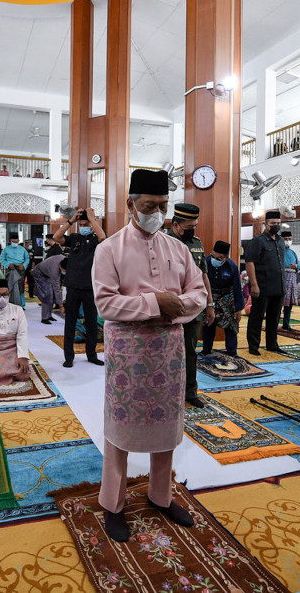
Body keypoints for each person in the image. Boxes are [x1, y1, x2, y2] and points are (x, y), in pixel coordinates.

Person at [92, 169, 207, 542]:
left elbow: (198, 295)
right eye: (148, 205)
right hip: (129, 355)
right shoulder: (108, 249)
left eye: (162, 205)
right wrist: (156, 303)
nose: (157, 212)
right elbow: (106, 303)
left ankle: (161, 496)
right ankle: (113, 503)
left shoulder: (179, 248)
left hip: (168, 353)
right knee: (120, 430)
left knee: (166, 427)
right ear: (130, 205)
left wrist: (176, 306)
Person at [166, 203, 215, 407]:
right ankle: (167, 392)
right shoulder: (163, 242)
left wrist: (210, 303)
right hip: (170, 308)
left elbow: (204, 275)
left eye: (195, 225)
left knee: (190, 351)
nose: (192, 230)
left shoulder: (196, 243)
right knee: (166, 352)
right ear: (176, 225)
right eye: (188, 227)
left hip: (193, 309)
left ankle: (190, 392)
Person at [54, 206, 106, 367]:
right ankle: (68, 357)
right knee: (69, 322)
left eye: (86, 224)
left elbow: (104, 238)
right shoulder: (74, 238)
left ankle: (91, 355)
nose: (83, 227)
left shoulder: (96, 239)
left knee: (91, 323)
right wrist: (71, 221)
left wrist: (92, 219)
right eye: (81, 224)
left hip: (90, 287)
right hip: (73, 286)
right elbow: (57, 236)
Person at [244, 211, 285, 354]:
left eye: (278, 223)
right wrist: (254, 284)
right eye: (273, 224)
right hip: (262, 287)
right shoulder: (258, 241)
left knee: (274, 318)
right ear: (265, 224)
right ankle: (253, 347)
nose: (275, 226)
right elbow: (250, 263)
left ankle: (272, 345)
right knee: (257, 317)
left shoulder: (281, 241)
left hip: (278, 287)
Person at [202, 241, 244, 357]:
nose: (215, 259)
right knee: (208, 323)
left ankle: (232, 352)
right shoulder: (205, 261)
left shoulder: (232, 266)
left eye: (219, 258)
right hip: (210, 296)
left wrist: (238, 308)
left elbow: (237, 287)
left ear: (226, 257)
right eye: (213, 256)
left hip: (227, 297)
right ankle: (206, 350)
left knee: (231, 325)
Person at [0, 232, 30, 307]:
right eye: (13, 242)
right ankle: (8, 303)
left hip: (20, 268)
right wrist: (8, 265)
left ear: (18, 241)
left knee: (21, 287)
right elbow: (1, 259)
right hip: (10, 269)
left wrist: (24, 265)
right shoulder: (6, 249)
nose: (15, 243)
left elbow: (27, 258)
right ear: (10, 241)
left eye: (16, 242)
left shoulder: (22, 249)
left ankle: (21, 305)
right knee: (9, 286)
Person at [33, 254, 66, 323]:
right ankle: (44, 318)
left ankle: (49, 315)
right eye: (64, 270)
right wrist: (61, 305)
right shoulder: (55, 270)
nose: (64, 272)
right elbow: (57, 288)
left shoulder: (66, 260)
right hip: (40, 272)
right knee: (47, 294)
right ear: (60, 266)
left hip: (47, 271)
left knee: (51, 294)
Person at [280, 230, 300, 329]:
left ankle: (286, 324)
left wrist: (296, 266)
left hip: (292, 279)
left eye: (290, 239)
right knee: (279, 303)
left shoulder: (293, 252)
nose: (288, 241)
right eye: (286, 239)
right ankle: (273, 323)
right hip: (282, 278)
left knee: (289, 304)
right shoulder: (278, 251)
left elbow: (298, 265)